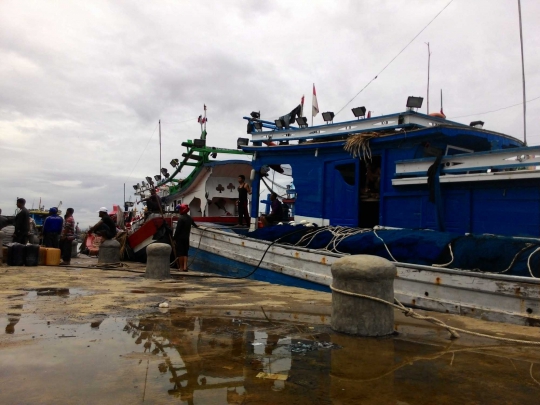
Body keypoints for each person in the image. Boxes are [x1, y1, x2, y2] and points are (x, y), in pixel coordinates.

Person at [173, 204, 199, 271]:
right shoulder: (189, 218)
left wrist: (174, 238)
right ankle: (185, 267)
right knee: (185, 253)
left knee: (180, 253)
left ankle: (181, 268)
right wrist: (198, 227)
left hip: (180, 239)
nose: (179, 211)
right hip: (186, 238)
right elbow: (195, 225)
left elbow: (177, 231)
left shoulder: (181, 219)